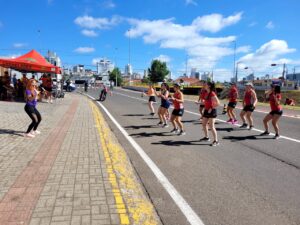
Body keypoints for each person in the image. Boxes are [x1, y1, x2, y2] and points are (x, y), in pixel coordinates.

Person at [200, 82, 220, 146]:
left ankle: (216, 141)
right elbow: (206, 102)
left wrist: (211, 108)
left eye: (205, 84)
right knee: (204, 124)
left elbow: (218, 103)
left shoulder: (212, 93)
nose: (204, 85)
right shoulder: (206, 93)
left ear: (209, 86)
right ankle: (206, 137)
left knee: (211, 126)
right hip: (206, 110)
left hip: (212, 111)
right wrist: (200, 103)